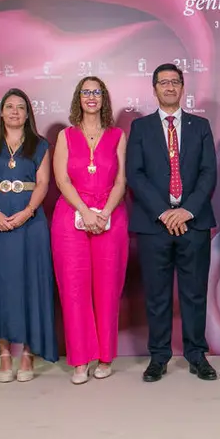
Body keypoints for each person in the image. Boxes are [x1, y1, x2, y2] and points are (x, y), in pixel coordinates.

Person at [127, 64, 218, 382]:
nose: (169, 87)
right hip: (155, 225)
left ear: (183, 87)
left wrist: (186, 211)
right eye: (163, 82)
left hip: (193, 223)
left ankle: (196, 354)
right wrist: (164, 212)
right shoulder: (140, 128)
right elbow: (135, 174)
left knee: (195, 293)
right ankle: (159, 356)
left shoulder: (200, 125)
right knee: (157, 294)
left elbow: (209, 173)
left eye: (174, 82)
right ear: (154, 88)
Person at [0, 88, 57, 382]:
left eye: (20, 107)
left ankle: (29, 354)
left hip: (30, 222)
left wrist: (27, 212)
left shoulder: (40, 144)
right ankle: (6, 354)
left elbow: (44, 183)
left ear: (28, 113)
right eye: (9, 106)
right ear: (1, 112)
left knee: (31, 284)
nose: (14, 112)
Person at [52, 77, 129, 384]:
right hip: (71, 218)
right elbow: (61, 180)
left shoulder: (117, 135)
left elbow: (121, 181)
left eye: (97, 92)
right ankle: (80, 360)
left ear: (104, 98)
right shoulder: (65, 135)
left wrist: (105, 213)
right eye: (86, 92)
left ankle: (106, 356)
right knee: (74, 290)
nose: (91, 97)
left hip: (111, 217)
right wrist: (85, 212)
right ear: (78, 98)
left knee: (108, 289)